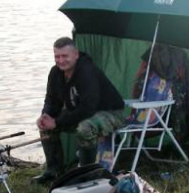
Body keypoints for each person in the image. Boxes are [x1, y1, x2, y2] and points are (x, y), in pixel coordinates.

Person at [33, 37, 125, 183]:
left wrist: (57, 121)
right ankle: (53, 170)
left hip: (111, 113)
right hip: (82, 113)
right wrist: (46, 115)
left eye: (65, 56)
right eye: (57, 56)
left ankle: (86, 172)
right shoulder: (55, 72)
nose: (61, 60)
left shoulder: (87, 71)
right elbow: (51, 99)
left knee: (84, 128)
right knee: (45, 125)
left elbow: (88, 108)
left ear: (75, 54)